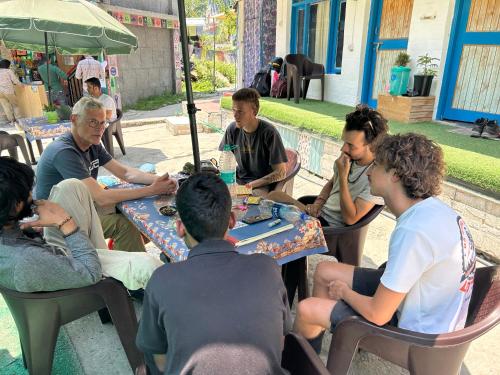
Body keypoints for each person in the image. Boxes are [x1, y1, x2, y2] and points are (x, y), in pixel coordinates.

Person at [294, 133, 477, 354]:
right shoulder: (434, 210)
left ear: (396, 175)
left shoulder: (414, 230)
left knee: (306, 309)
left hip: (416, 335)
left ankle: (302, 360)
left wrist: (344, 292)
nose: (369, 171)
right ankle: (314, 351)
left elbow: (378, 314)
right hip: (420, 302)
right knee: (324, 270)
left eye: (377, 165)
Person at [136, 173, 292, 375]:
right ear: (232, 220)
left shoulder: (161, 280)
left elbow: (159, 361)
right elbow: (280, 341)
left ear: (180, 228)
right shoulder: (268, 268)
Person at [268, 104, 388, 305]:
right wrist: (318, 202)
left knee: (285, 232)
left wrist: (343, 175)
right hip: (318, 215)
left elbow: (351, 218)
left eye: (351, 145)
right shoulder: (348, 159)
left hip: (333, 230)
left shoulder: (375, 175)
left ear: (372, 146)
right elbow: (331, 183)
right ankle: (283, 282)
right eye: (344, 142)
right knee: (274, 196)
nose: (343, 149)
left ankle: (285, 293)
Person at [35, 97, 177, 252]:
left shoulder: (92, 143)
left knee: (138, 213)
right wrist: (152, 190)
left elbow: (126, 173)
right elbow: (101, 198)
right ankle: (131, 272)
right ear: (74, 119)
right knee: (125, 225)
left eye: (103, 122)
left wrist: (162, 181)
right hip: (56, 223)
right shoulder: (64, 152)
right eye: (93, 122)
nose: (99, 128)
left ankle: (122, 254)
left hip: (80, 208)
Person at [0, 156, 162, 292]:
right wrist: (65, 222)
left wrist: (35, 230)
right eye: (28, 192)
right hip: (81, 270)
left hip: (45, 256)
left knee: (71, 186)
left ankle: (105, 255)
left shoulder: (7, 229)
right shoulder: (26, 260)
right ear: (16, 206)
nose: (32, 195)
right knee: (147, 265)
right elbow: (90, 273)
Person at [219, 88, 288, 195]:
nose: (235, 115)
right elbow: (226, 161)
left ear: (254, 111)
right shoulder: (232, 130)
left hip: (261, 185)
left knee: (252, 201)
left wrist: (250, 186)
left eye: (240, 111)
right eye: (234, 110)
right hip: (238, 179)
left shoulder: (269, 133)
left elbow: (281, 172)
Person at [0, 59, 21, 125]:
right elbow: (14, 80)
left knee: (6, 106)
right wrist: (21, 85)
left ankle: (11, 121)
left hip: (0, 92)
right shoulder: (8, 71)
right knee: (15, 105)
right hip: (8, 91)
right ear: (7, 65)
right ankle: (18, 119)